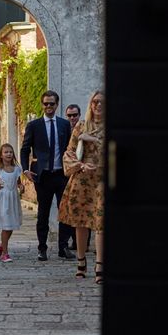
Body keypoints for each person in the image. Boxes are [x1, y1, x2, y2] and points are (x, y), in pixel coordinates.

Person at [20, 90, 74, 261]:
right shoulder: (34, 125)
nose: (48, 106)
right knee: (43, 212)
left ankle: (63, 247)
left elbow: (70, 149)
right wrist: (25, 169)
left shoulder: (64, 125)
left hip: (61, 175)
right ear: (42, 105)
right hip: (42, 176)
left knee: (64, 211)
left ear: (57, 105)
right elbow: (24, 149)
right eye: (46, 103)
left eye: (51, 103)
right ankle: (42, 248)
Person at [59, 91, 105, 284]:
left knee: (101, 223)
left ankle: (100, 265)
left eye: (102, 102)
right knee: (81, 222)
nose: (98, 105)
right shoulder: (81, 125)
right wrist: (80, 165)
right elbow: (69, 152)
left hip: (102, 179)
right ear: (90, 104)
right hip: (82, 178)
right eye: (95, 102)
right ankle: (81, 261)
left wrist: (93, 140)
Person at [0, 144, 25, 262]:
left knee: (11, 225)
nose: (9, 154)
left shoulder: (17, 169)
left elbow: (18, 183)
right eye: (6, 152)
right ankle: (5, 253)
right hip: (2, 200)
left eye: (10, 152)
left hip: (13, 199)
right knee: (6, 226)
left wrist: (21, 187)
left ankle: (1, 246)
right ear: (1, 155)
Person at [64, 103, 91, 252]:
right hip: (67, 171)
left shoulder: (86, 127)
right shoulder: (63, 127)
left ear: (79, 115)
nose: (72, 117)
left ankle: (82, 244)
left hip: (85, 173)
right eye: (70, 115)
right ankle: (68, 242)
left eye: (75, 115)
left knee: (86, 210)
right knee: (70, 210)